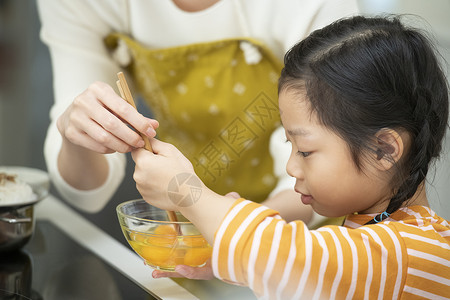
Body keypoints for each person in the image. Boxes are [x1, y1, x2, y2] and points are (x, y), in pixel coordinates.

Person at [131, 15, 450, 298]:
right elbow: (313, 275)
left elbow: (288, 254)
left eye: (306, 150)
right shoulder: (376, 231)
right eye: (290, 145)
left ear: (384, 150)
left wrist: (186, 191)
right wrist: (231, 259)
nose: (291, 166)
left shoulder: (410, 253)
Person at [37, 0, 359, 228]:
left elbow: (333, 162)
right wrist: (75, 129)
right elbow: (87, 196)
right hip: (196, 235)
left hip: (309, 237)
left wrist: (226, 222)